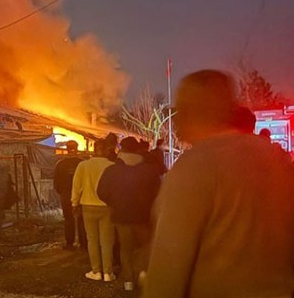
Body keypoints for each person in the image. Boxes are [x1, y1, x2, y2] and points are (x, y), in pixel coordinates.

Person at [143, 70, 294, 297]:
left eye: (180, 109)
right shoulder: (276, 158)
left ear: (193, 110)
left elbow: (168, 266)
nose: (176, 119)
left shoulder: (194, 168)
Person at [97, 137, 161, 291]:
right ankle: (144, 276)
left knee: (125, 248)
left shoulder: (111, 170)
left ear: (121, 150)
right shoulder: (149, 170)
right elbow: (158, 192)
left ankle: (128, 282)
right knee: (145, 246)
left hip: (121, 217)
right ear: (137, 150)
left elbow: (101, 192)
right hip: (144, 217)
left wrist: (115, 204)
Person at [71, 140, 116, 282]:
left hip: (88, 206)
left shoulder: (83, 165)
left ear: (94, 149)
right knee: (107, 241)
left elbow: (76, 186)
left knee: (92, 240)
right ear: (107, 150)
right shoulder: (111, 166)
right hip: (107, 207)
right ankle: (108, 272)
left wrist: (74, 203)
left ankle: (96, 271)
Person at [54, 141, 85, 250]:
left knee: (68, 219)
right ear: (76, 148)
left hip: (66, 194)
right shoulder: (82, 163)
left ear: (67, 148)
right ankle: (83, 243)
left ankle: (70, 243)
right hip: (81, 194)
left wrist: (62, 192)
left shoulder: (60, 164)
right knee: (81, 219)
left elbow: (56, 182)